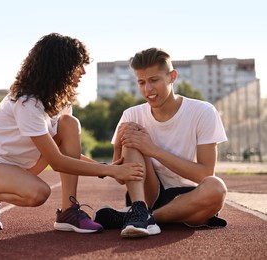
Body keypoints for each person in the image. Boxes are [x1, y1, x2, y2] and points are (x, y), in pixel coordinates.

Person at [0, 33, 144, 233]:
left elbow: (67, 153)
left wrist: (105, 168)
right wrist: (110, 171)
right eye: (78, 66)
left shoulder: (61, 101)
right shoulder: (26, 102)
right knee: (38, 193)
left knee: (70, 124)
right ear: (60, 67)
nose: (83, 72)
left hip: (24, 166)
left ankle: (69, 211)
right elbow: (57, 161)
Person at [93, 47, 228, 238]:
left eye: (154, 80)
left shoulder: (203, 112)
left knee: (216, 188)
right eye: (141, 82)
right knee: (132, 134)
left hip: (192, 196)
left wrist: (154, 150)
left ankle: (142, 217)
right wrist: (118, 146)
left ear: (172, 77)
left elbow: (205, 174)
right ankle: (140, 210)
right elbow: (121, 178)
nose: (148, 90)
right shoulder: (131, 115)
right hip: (148, 194)